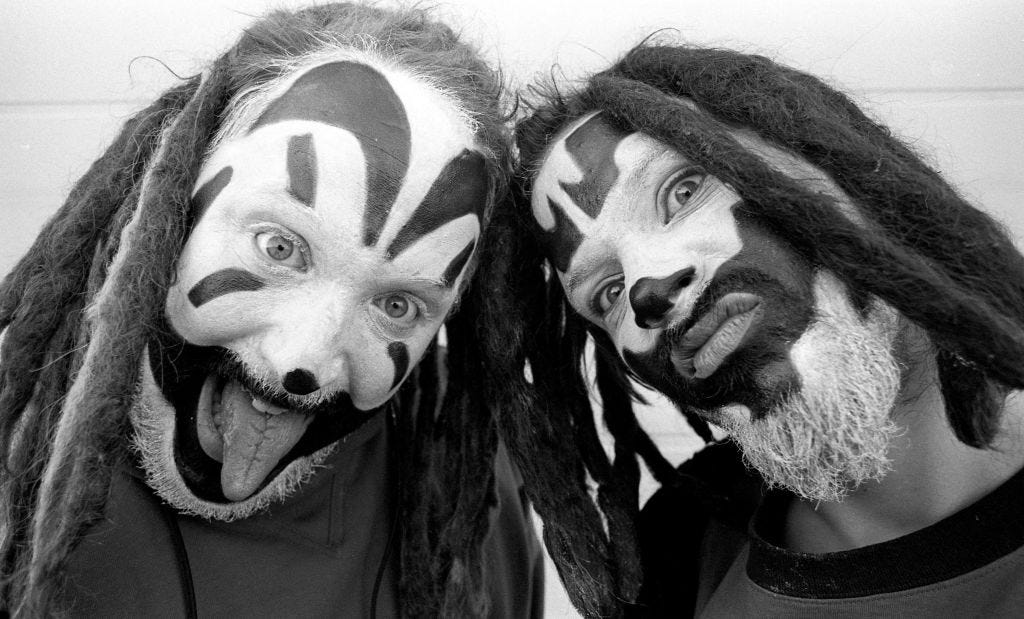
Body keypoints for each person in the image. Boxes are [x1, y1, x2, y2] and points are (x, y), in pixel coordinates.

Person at [0, 4, 543, 617]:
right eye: (279, 246)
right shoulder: (13, 446)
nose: (302, 361)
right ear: (175, 199)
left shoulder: (467, 494)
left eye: (396, 304)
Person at [485, 41, 1024, 616]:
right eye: (608, 293)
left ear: (831, 164)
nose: (648, 289)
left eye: (683, 192)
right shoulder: (678, 555)